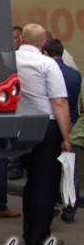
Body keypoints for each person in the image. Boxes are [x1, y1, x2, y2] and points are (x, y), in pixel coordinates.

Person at [16, 23, 72, 245]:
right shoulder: (46, 64)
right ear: (42, 44)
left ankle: (28, 230)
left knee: (30, 181)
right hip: (45, 125)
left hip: (18, 123)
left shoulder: (10, 61)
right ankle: (38, 237)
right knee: (45, 183)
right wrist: (66, 137)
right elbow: (59, 102)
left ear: (20, 40)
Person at [44, 37, 82, 222]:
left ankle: (49, 205)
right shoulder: (75, 75)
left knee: (49, 169)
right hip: (72, 125)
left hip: (51, 124)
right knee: (70, 169)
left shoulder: (47, 72)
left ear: (47, 53)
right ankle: (69, 209)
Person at [9, 25, 26, 180]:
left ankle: (18, 167)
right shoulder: (7, 58)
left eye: (15, 38)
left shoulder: (23, 58)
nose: (11, 41)